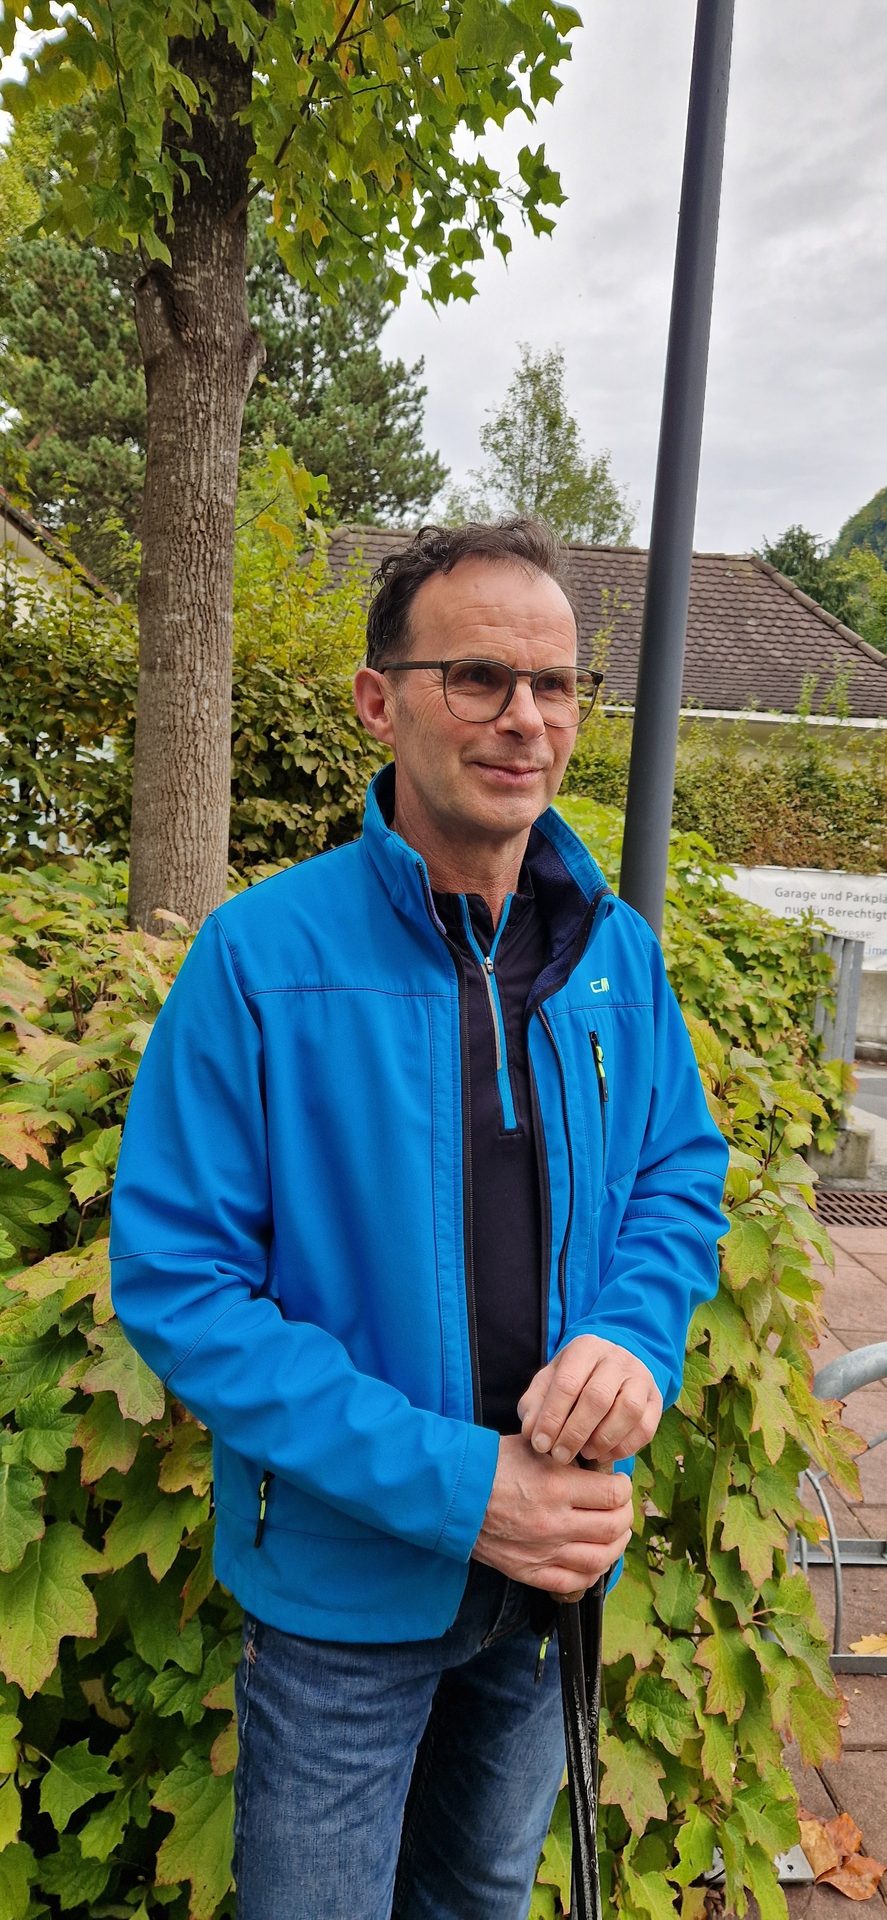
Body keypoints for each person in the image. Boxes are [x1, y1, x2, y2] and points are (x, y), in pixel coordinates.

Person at [110, 518, 728, 1920]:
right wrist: (466, 1494)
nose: (527, 720)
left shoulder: (615, 953)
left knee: (480, 1902)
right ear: (379, 701)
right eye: (480, 678)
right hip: (342, 1602)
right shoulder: (261, 957)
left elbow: (680, 1175)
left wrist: (635, 1340)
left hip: (544, 1589)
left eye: (557, 686)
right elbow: (181, 1287)